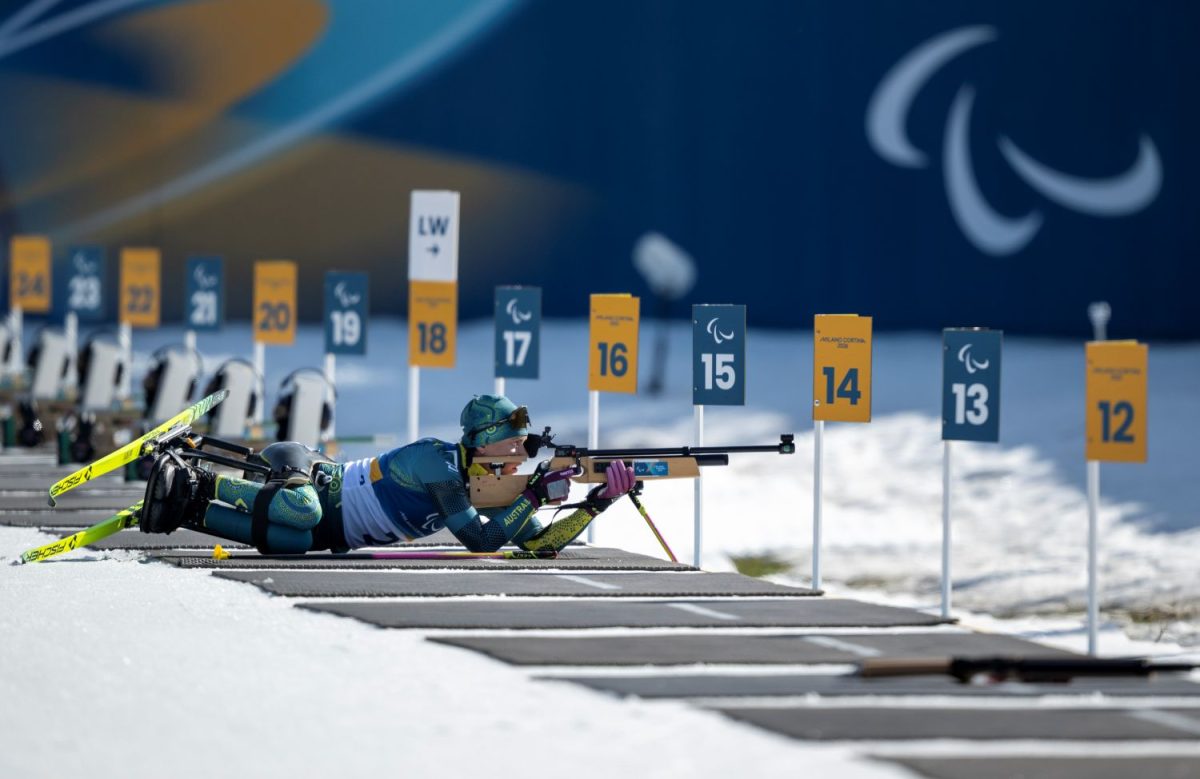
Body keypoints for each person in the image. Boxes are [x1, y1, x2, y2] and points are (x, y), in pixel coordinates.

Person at [139, 394, 635, 555]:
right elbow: (481, 544)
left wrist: (596, 503)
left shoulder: (494, 488)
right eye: (512, 439)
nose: (520, 449)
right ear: (483, 439)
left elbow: (537, 547)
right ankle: (197, 477)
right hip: (308, 474)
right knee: (302, 509)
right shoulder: (436, 462)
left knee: (294, 542)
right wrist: (532, 493)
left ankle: (188, 509)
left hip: (332, 532)